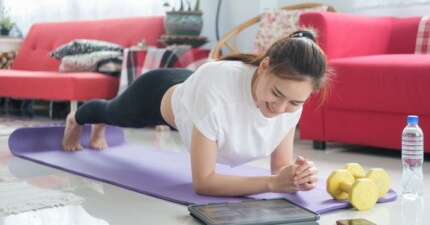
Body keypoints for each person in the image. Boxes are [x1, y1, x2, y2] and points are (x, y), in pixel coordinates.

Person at [62, 29, 331, 197]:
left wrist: (296, 176)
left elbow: (280, 166)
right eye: (277, 94)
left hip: (193, 94)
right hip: (155, 94)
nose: (281, 109)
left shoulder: (293, 96)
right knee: (112, 111)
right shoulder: (216, 90)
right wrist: (273, 184)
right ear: (263, 68)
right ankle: (77, 119)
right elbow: (204, 182)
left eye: (294, 103)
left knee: (114, 115)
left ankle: (99, 124)